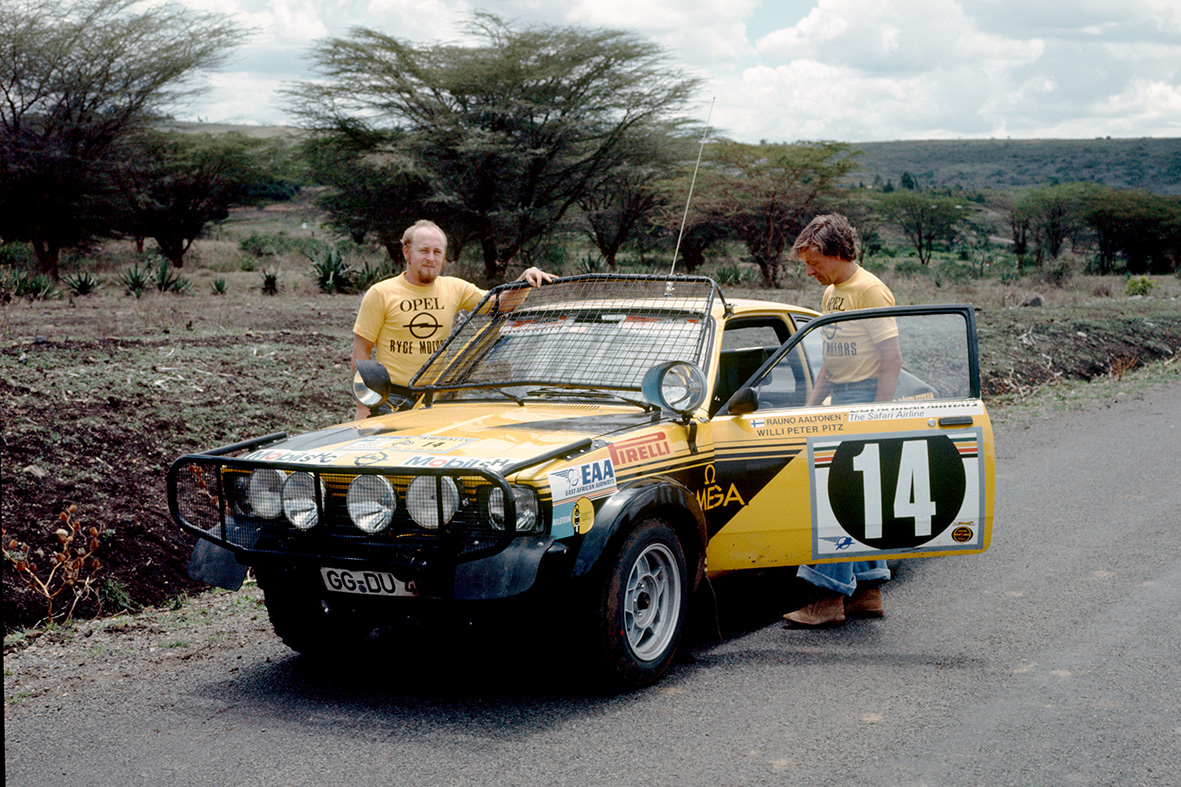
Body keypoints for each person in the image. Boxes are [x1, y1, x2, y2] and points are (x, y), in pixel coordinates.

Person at [783, 213, 902, 627]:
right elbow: (829, 362)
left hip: (864, 397)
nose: (810, 271)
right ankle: (867, 591)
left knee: (838, 500)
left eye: (814, 262)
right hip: (839, 398)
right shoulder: (832, 292)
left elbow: (892, 358)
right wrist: (812, 408)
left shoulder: (869, 290)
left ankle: (827, 599)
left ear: (836, 252)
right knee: (860, 500)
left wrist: (877, 415)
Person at [351, 219, 554, 420]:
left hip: (436, 401)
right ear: (406, 252)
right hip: (390, 400)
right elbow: (361, 351)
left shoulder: (455, 288)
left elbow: (500, 305)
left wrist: (524, 279)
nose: (431, 258)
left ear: (444, 257)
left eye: (437, 252)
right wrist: (364, 404)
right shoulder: (380, 293)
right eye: (423, 250)